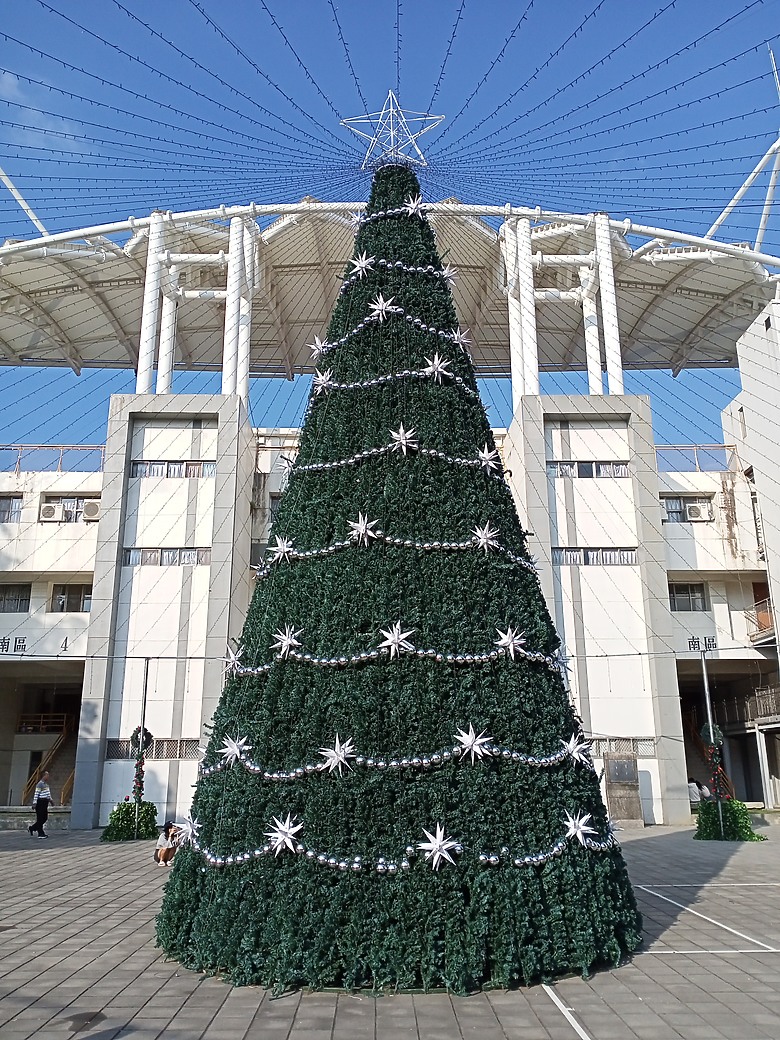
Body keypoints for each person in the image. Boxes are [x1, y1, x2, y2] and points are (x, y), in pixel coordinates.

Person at [28, 771, 53, 838]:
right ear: (44, 776)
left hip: (45, 802)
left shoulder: (46, 785)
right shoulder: (40, 784)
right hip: (40, 802)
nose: (48, 777)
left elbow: (48, 794)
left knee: (44, 818)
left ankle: (33, 828)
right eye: (47, 775)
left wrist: (51, 800)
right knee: (40, 818)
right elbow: (36, 794)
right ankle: (40, 833)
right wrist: (34, 803)